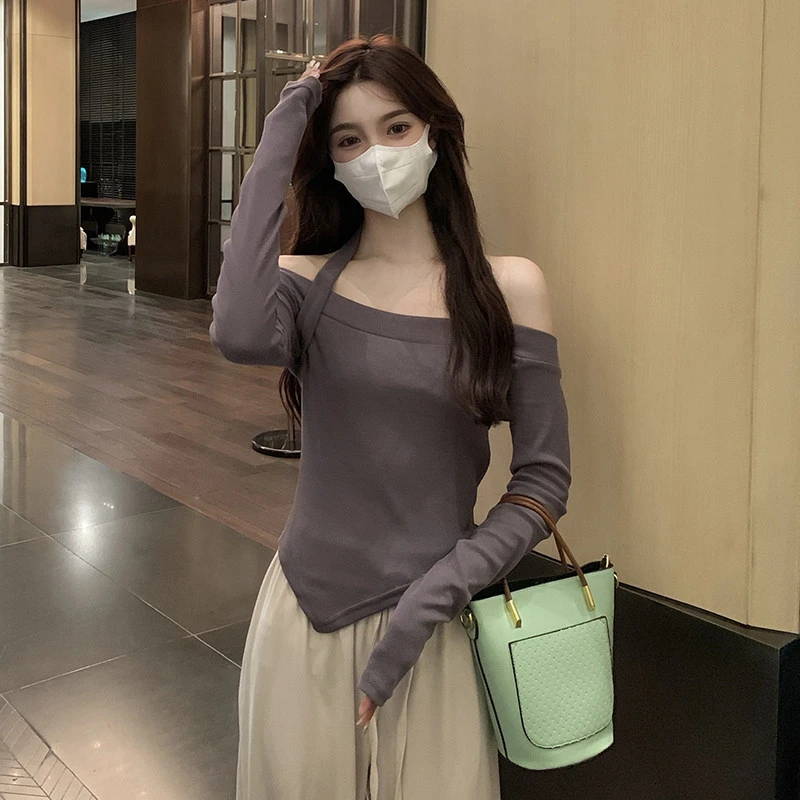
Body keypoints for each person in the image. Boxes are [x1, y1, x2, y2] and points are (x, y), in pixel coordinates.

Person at [210, 34, 571, 800]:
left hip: (433, 632)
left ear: (436, 131)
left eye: (397, 127)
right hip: (304, 621)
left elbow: (542, 485)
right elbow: (237, 332)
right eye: (349, 140)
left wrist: (429, 604)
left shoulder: (509, 289)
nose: (376, 154)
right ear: (329, 160)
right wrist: (287, 118)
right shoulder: (304, 282)